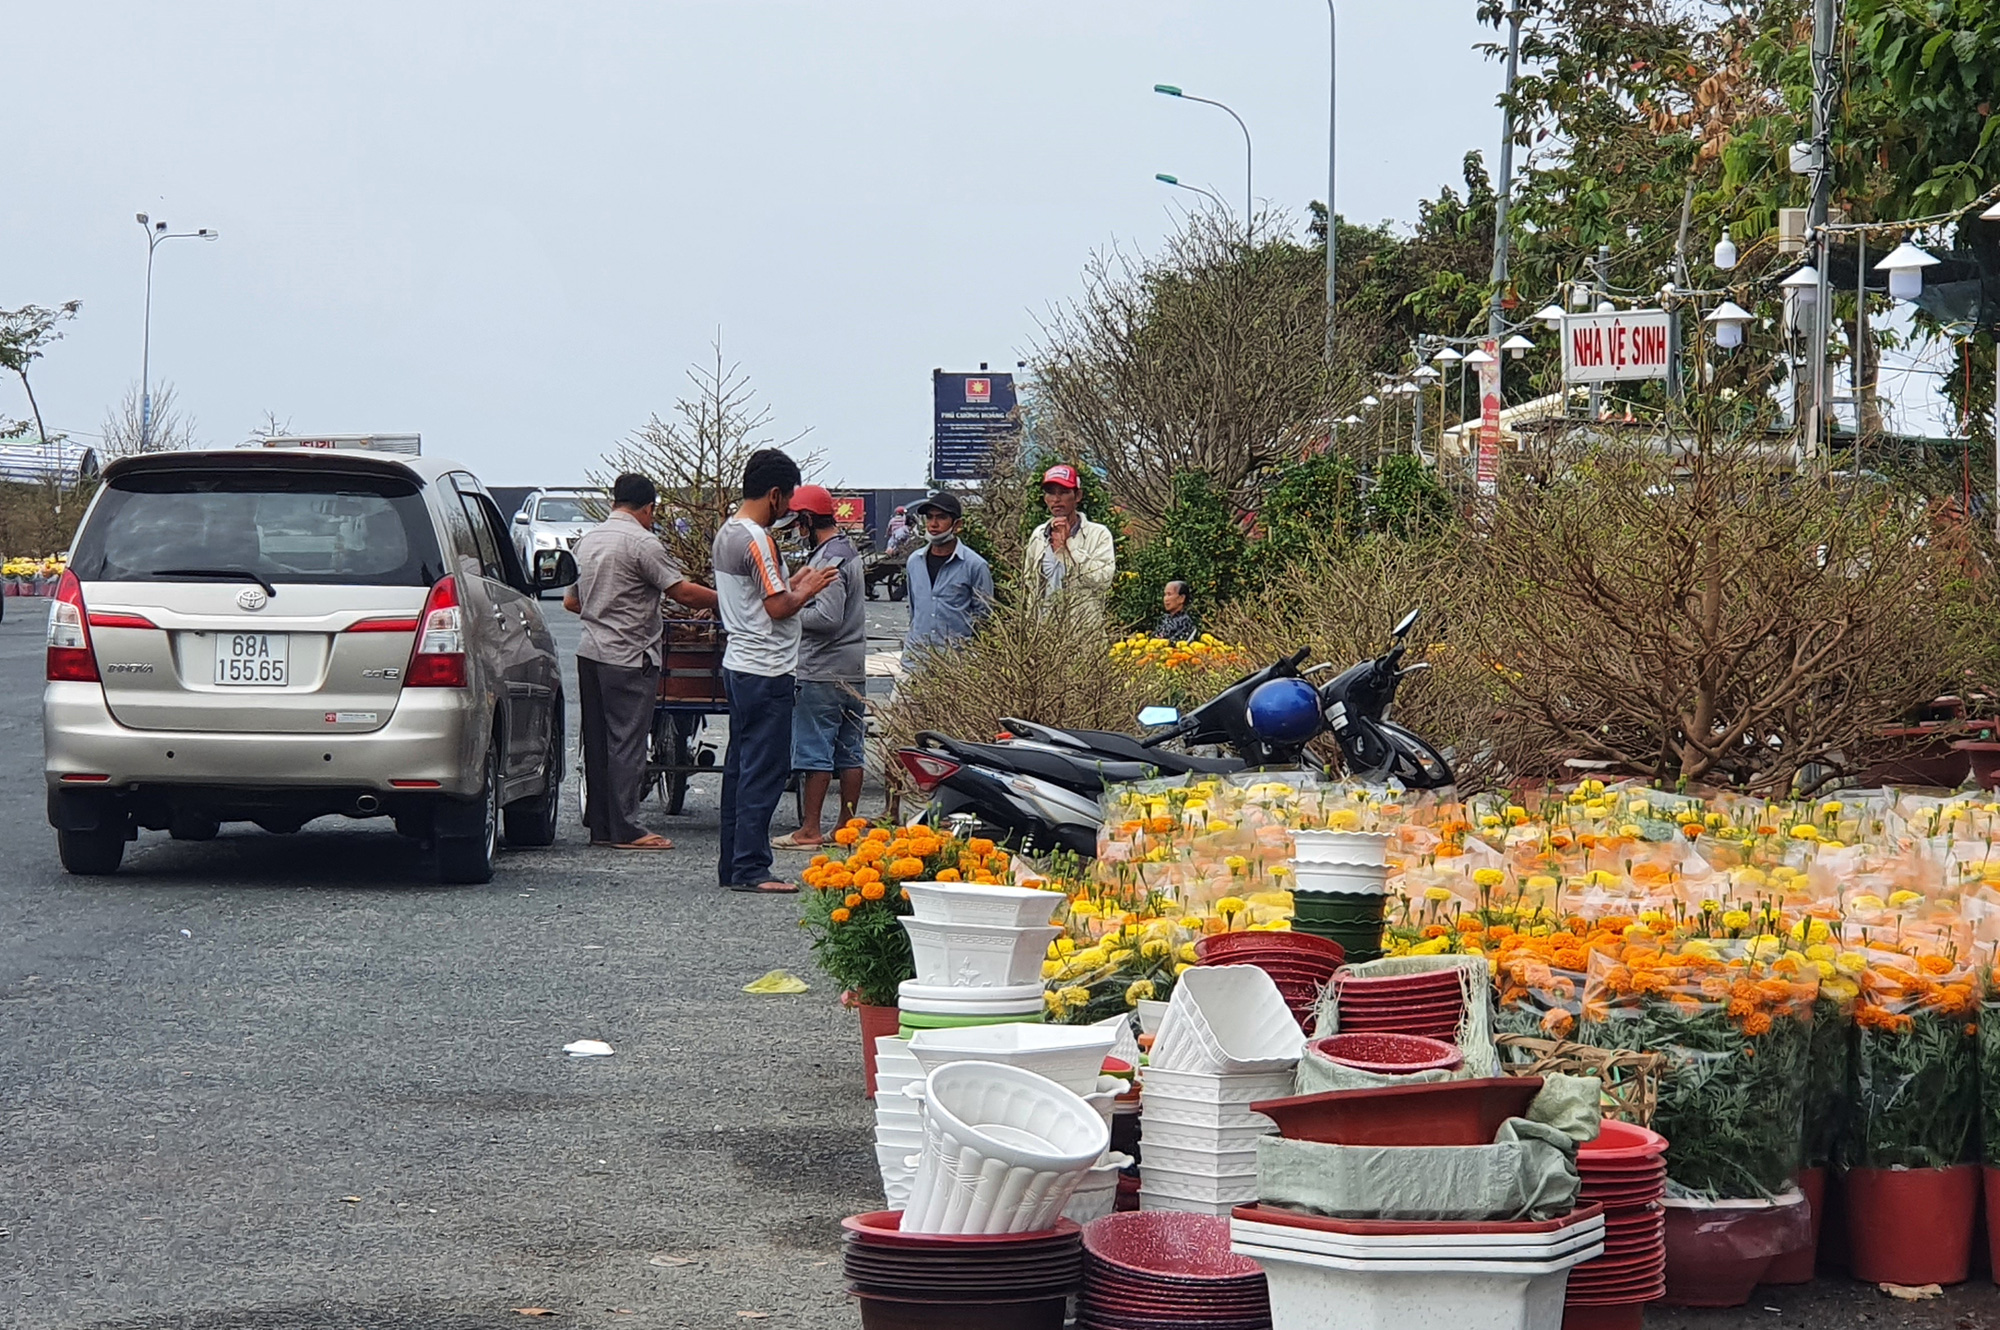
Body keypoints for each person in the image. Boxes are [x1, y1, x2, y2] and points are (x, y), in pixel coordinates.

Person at [565, 472, 719, 850]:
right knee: (627, 744)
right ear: (649, 507)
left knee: (599, 743)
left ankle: (602, 828)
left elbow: (570, 601)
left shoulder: (587, 541)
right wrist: (725, 600)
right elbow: (681, 592)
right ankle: (628, 829)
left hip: (591, 653)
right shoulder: (642, 543)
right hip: (629, 656)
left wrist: (603, 609)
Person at [712, 449, 839, 894]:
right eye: (786, 501)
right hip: (767, 668)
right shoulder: (759, 540)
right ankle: (751, 867)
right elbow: (777, 606)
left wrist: (797, 583)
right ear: (773, 494)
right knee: (765, 770)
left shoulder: (727, 532)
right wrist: (809, 589)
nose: (788, 511)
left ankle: (734, 863)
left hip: (739, 664)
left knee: (739, 768)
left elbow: (755, 599)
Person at [772, 484, 866, 850]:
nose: (796, 529)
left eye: (797, 522)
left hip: (821, 669)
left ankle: (809, 829)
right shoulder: (848, 552)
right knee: (851, 751)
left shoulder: (829, 560)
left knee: (815, 752)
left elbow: (827, 618)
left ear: (808, 520)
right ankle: (846, 828)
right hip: (852, 668)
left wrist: (787, 613)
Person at [1022, 463, 1116, 618]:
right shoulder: (1039, 535)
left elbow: (1102, 581)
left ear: (1077, 496)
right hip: (1043, 631)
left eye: (1064, 492)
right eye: (1051, 493)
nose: (1056, 499)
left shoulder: (1099, 534)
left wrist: (1069, 546)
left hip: (1083, 632)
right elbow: (1029, 583)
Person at [904, 491, 993, 652]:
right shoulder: (914, 562)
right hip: (916, 659)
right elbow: (914, 609)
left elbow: (983, 616)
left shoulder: (975, 565)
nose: (933, 524)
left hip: (956, 664)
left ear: (957, 524)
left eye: (942, 517)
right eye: (929, 517)